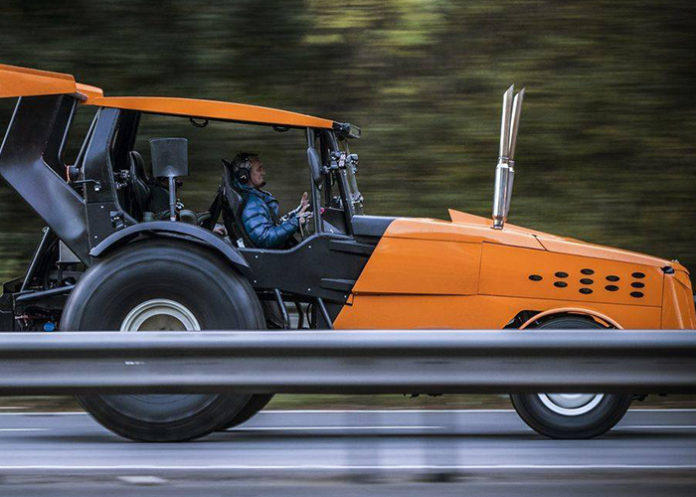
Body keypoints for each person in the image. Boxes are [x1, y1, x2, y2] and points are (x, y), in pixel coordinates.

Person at [229, 152, 310, 249]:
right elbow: (265, 238)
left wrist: (297, 214)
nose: (263, 173)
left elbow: (273, 225)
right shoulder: (252, 204)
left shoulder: (254, 198)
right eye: (259, 169)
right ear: (244, 175)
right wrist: (295, 222)